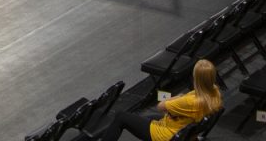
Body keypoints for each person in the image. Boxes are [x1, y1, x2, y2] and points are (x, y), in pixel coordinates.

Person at [93, 59, 222, 141]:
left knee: (121, 117)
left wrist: (173, 98)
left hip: (166, 135)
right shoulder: (214, 92)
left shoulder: (191, 101)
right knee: (147, 117)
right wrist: (173, 98)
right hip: (180, 127)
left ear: (196, 78)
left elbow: (161, 106)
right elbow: (180, 100)